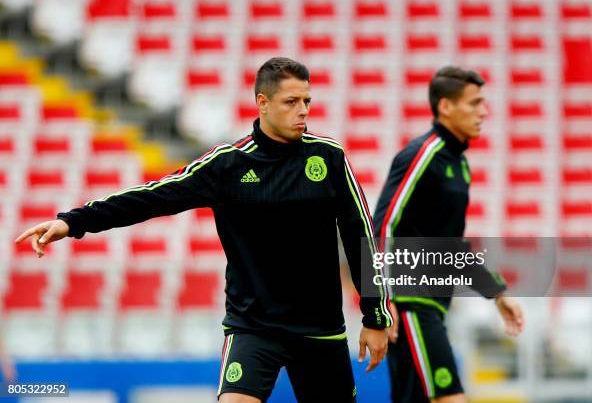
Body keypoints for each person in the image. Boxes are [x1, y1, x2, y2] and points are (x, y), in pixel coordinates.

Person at [16, 57, 392, 403]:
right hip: (253, 327)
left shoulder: (328, 157)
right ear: (262, 103)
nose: (303, 111)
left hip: (320, 328)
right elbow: (151, 197)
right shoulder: (226, 165)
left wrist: (376, 316)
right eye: (291, 102)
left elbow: (362, 236)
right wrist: (73, 221)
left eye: (307, 101)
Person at [372, 66, 525, 403]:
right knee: (451, 398)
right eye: (474, 103)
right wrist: (380, 301)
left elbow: (452, 248)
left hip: (434, 305)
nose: (484, 111)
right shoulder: (422, 156)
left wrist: (497, 293)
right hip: (412, 304)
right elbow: (382, 226)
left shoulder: (461, 165)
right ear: (446, 107)